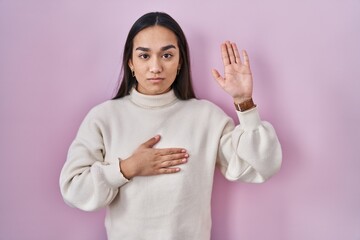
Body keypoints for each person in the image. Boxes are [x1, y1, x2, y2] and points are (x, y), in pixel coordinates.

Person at [59, 11, 282, 240]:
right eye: (144, 56)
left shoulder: (206, 117)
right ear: (130, 63)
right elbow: (73, 190)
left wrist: (243, 101)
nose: (155, 67)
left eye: (167, 55)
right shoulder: (103, 118)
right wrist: (126, 168)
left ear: (180, 62)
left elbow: (259, 167)